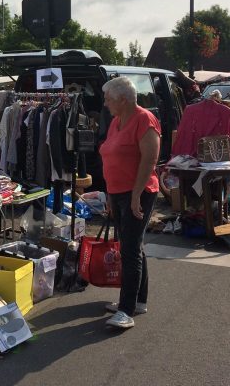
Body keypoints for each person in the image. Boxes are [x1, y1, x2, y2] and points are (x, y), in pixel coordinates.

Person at [98, 76, 161, 330]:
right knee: (133, 246)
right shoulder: (116, 121)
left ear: (123, 99)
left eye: (109, 98)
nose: (105, 103)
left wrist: (135, 195)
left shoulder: (144, 119)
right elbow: (111, 158)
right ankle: (138, 301)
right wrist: (111, 196)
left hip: (140, 192)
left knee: (130, 249)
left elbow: (149, 159)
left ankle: (126, 310)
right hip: (119, 192)